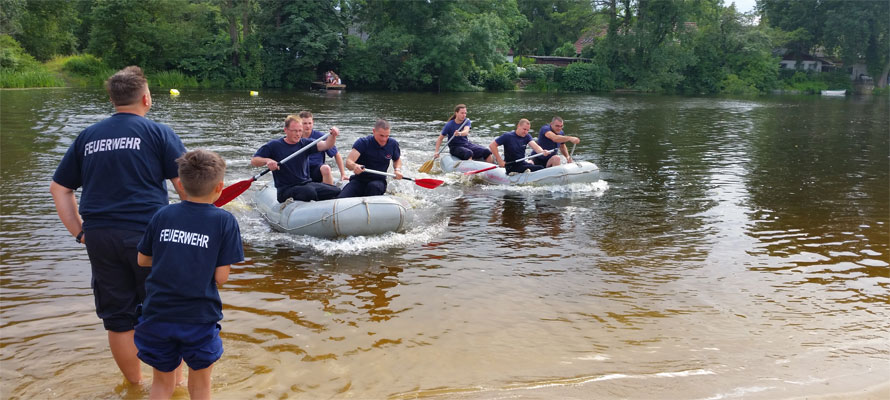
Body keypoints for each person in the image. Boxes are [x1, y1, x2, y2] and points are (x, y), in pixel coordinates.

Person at [49, 65, 187, 384]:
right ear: (146, 98)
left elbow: (60, 188)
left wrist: (80, 232)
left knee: (118, 319)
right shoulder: (159, 133)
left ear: (112, 99)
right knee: (164, 311)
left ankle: (135, 386)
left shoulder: (88, 136)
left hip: (100, 236)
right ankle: (171, 387)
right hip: (149, 235)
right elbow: (185, 188)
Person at [135, 149, 244, 399]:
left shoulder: (163, 214)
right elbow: (220, 277)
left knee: (162, 385)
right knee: (201, 387)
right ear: (220, 187)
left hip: (157, 313)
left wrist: (173, 255)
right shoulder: (224, 221)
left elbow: (142, 259)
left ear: (180, 185)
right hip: (198, 316)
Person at [251, 115, 341, 202]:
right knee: (309, 192)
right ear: (285, 130)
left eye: (300, 131)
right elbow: (254, 160)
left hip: (306, 183)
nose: (298, 134)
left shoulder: (305, 143)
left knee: (335, 190)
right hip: (286, 189)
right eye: (294, 131)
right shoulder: (274, 145)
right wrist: (268, 161)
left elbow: (327, 145)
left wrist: (333, 135)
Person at [338, 119, 402, 198]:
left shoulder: (393, 144)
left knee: (373, 187)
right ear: (374, 131)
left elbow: (397, 159)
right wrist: (354, 166)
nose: (384, 139)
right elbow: (348, 162)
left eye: (387, 136)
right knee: (341, 198)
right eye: (381, 135)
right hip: (359, 180)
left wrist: (397, 170)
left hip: (378, 181)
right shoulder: (363, 143)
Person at [299, 110, 347, 185]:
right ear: (299, 124)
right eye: (304, 123)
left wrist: (343, 174)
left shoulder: (321, 136)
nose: (308, 126)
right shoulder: (295, 138)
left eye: (310, 123)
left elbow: (336, 154)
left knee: (326, 168)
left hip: (316, 169)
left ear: (313, 123)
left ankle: (330, 192)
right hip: (301, 170)